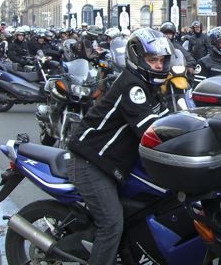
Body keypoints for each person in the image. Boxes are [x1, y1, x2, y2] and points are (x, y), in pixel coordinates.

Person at [67, 28, 173, 265]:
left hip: (112, 163)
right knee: (112, 224)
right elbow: (150, 128)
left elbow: (169, 117)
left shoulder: (150, 87)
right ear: (137, 59)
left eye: (161, 60)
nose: (158, 65)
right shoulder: (132, 85)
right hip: (91, 161)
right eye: (152, 60)